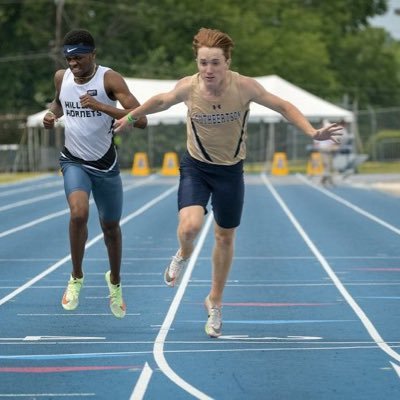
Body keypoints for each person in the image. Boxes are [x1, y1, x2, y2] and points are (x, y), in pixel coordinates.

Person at [114, 27, 342, 335]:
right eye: (203, 62)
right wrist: (129, 117)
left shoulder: (245, 87)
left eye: (215, 63)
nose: (208, 70)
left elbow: (284, 107)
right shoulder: (188, 87)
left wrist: (312, 132)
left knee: (224, 237)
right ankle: (183, 253)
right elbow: (161, 101)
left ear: (227, 62)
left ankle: (215, 302)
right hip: (196, 167)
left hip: (231, 172)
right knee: (190, 227)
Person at [43, 29, 147, 318]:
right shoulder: (61, 77)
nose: (73, 64)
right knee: (78, 213)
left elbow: (142, 119)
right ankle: (76, 277)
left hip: (106, 164)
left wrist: (102, 106)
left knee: (110, 227)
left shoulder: (109, 79)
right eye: (69, 59)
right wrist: (52, 116)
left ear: (93, 55)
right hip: (73, 160)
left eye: (79, 58)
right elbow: (58, 104)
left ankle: (114, 282)